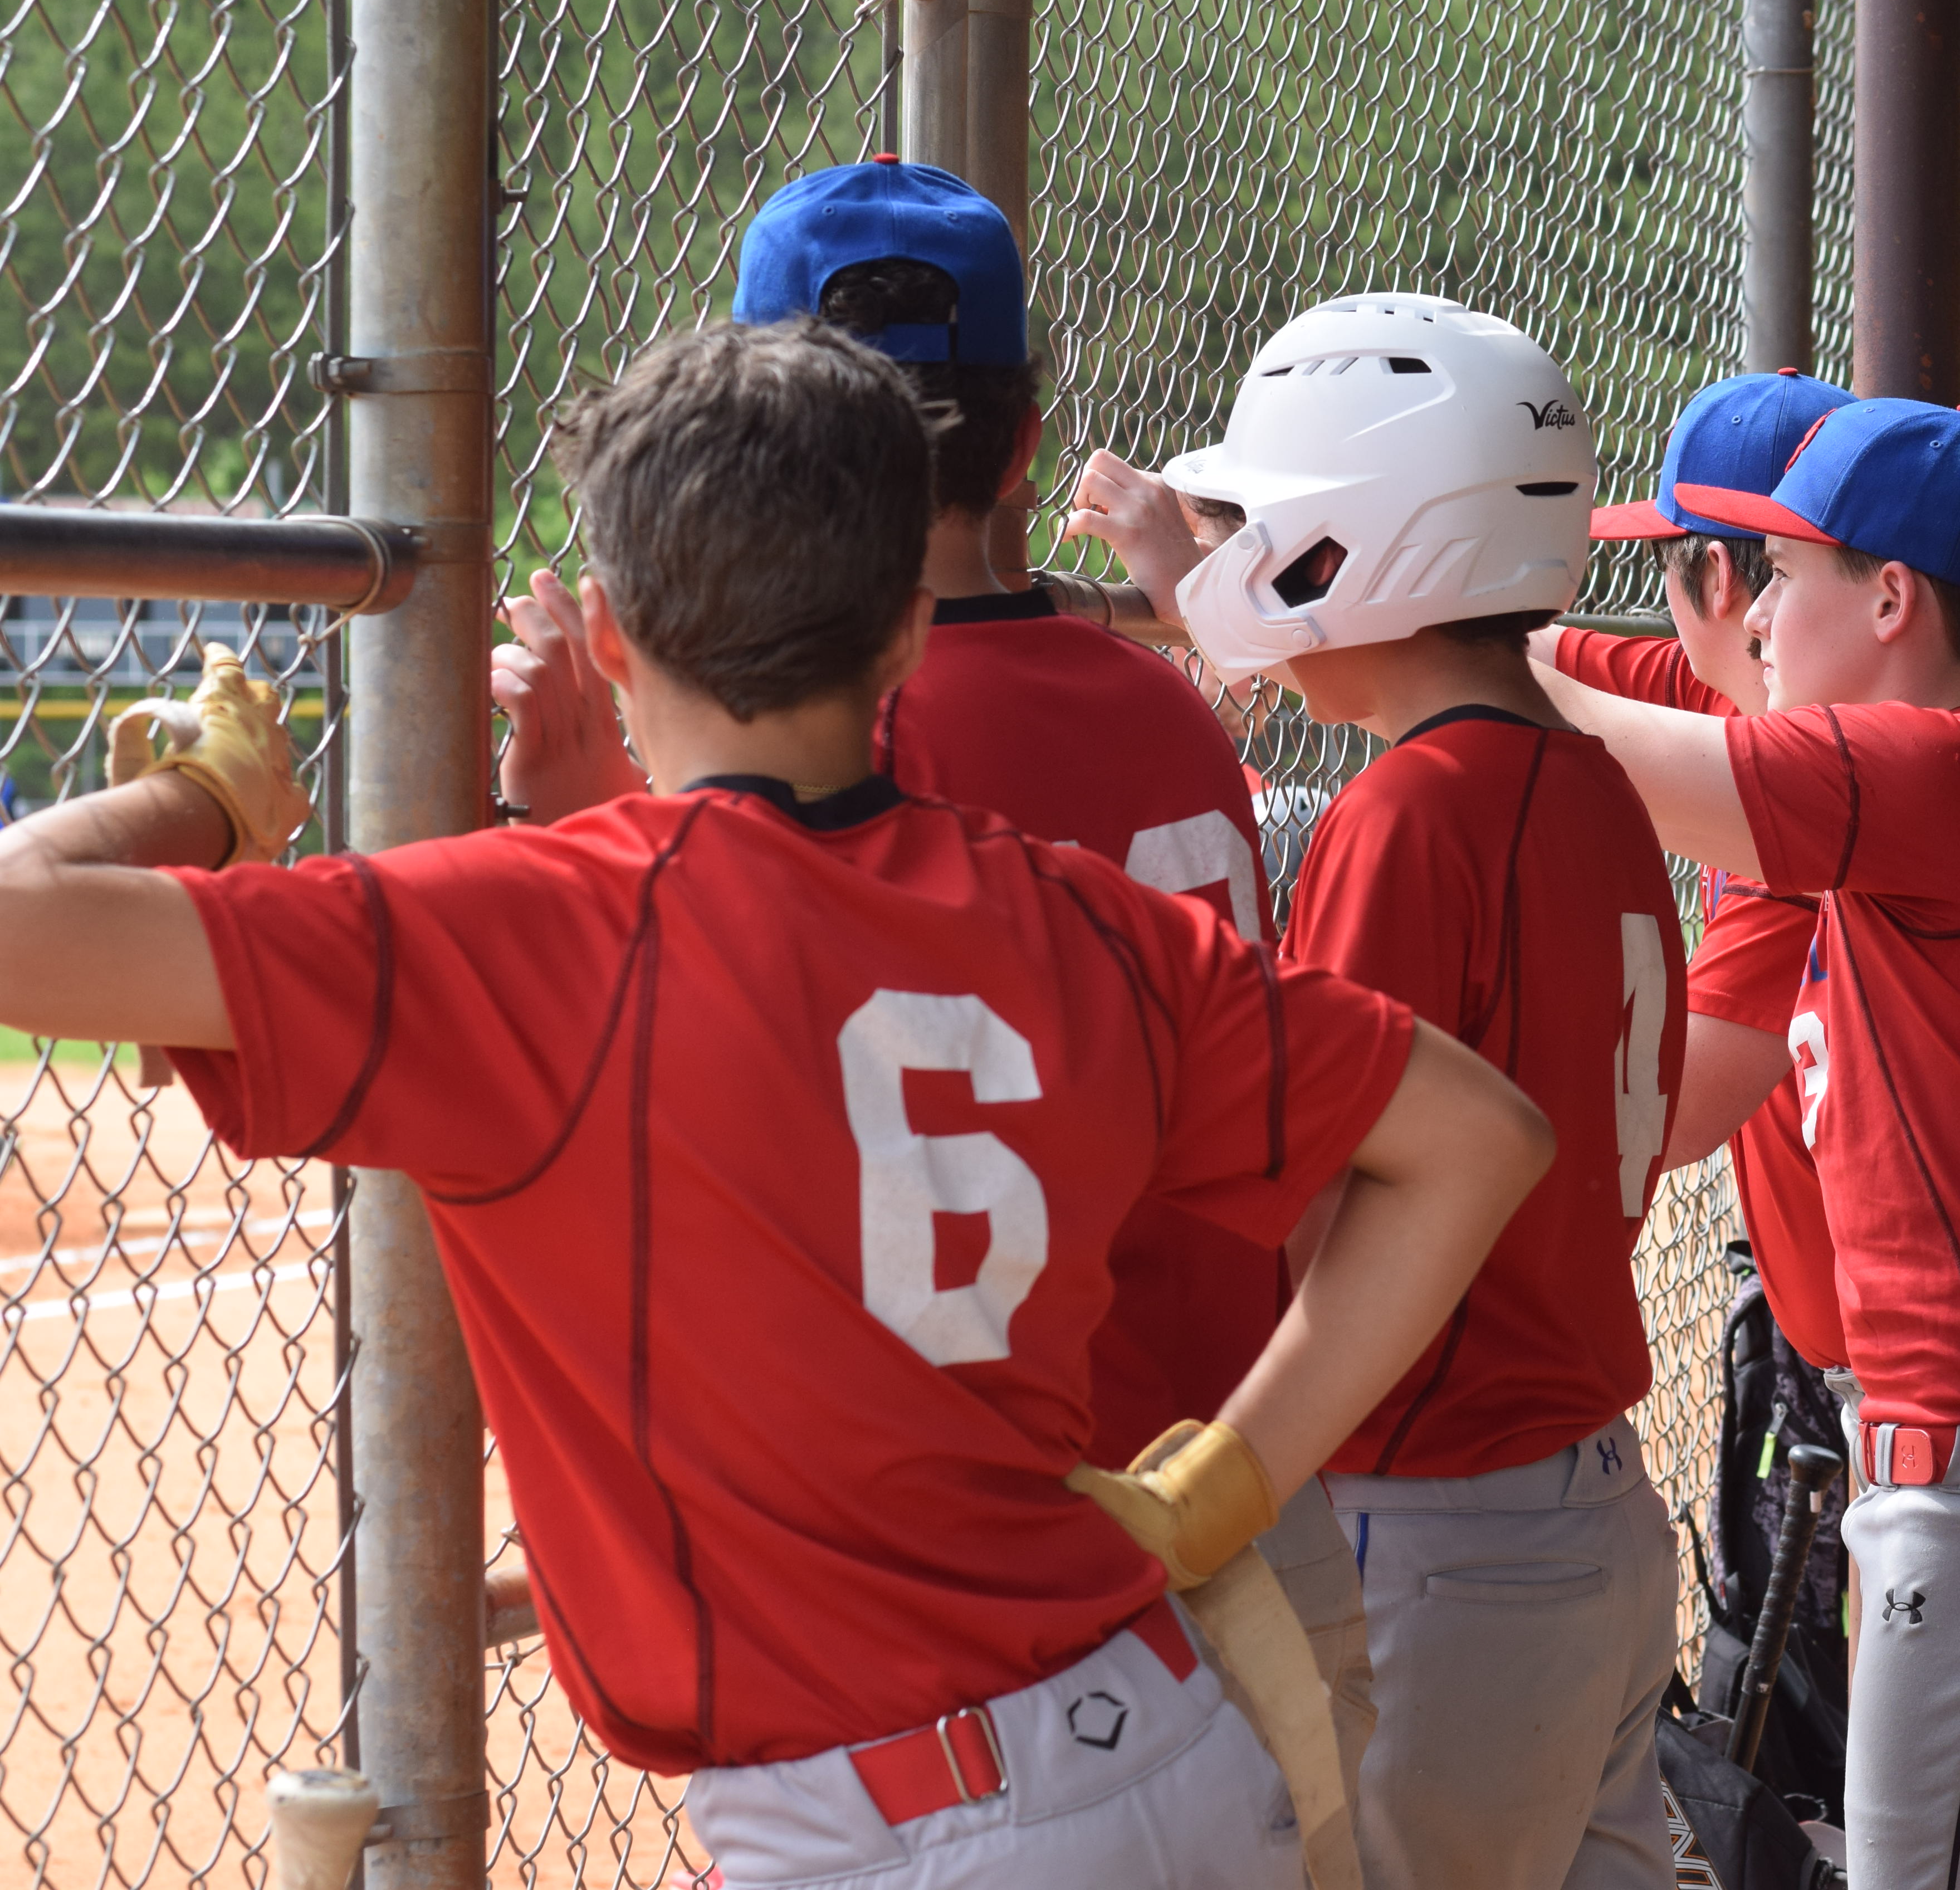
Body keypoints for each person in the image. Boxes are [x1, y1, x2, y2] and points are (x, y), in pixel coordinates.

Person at [15, 319, 1553, 1890]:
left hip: (890, 1834)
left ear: (607, 639)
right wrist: (1216, 1486)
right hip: (1176, 1751)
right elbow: (1482, 1140)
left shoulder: (524, 930)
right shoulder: (1085, 920)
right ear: (904, 632)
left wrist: (205, 798)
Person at [485, 161, 1385, 1788]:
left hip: (1000, 1588)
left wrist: (586, 824)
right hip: (1229, 1482)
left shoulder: (862, 754)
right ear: (1031, 436)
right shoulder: (1161, 702)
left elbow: (751, 1059)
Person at [1539, 397, 1960, 1889]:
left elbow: (1622, 743)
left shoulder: (1941, 776)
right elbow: (1676, 673)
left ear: (1893, 598)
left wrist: (1437, 628)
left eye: (1787, 578)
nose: (1764, 614)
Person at [1153, 292, 1689, 1890]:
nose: (1250, 557)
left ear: (1377, 542)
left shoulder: (1413, 814)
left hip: (1438, 1512)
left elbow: (1330, 1194)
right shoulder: (1589, 784)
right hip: (1585, 1498)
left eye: (1271, 523)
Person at [1533, 367, 1850, 1373]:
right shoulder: (1735, 690)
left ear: (1718, 578)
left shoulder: (1817, 800)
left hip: (1913, 1380)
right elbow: (1512, 653)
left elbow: (1670, 1114)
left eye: (1666, 566)